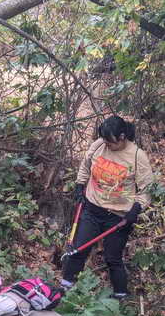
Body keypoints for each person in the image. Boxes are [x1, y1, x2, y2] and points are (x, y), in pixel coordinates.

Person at [61, 115, 153, 298]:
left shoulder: (137, 156)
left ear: (122, 137)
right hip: (92, 209)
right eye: (104, 140)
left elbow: (146, 189)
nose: (107, 145)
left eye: (111, 142)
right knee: (79, 250)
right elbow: (85, 165)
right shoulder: (99, 145)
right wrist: (80, 186)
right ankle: (64, 289)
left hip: (118, 216)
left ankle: (120, 295)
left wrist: (135, 210)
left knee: (113, 258)